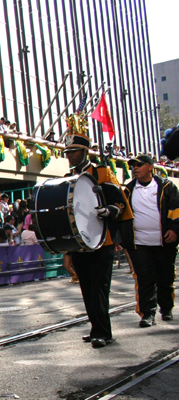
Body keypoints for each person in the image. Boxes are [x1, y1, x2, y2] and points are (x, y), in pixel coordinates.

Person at [62, 112, 132, 348]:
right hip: (80, 244)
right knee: (86, 288)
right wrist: (67, 250)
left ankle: (103, 331)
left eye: (73, 151)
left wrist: (109, 210)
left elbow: (120, 201)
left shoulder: (102, 172)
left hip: (103, 241)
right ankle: (96, 329)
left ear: (85, 151)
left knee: (99, 288)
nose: (69, 156)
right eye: (67, 152)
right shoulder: (67, 179)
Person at [123, 153, 179, 328]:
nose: (135, 169)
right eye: (133, 166)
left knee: (165, 277)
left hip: (164, 242)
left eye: (139, 165)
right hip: (139, 244)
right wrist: (121, 238)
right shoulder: (129, 189)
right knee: (145, 279)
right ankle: (147, 314)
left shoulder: (167, 186)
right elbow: (123, 215)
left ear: (150, 167)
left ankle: (166, 308)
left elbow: (176, 210)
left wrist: (174, 230)